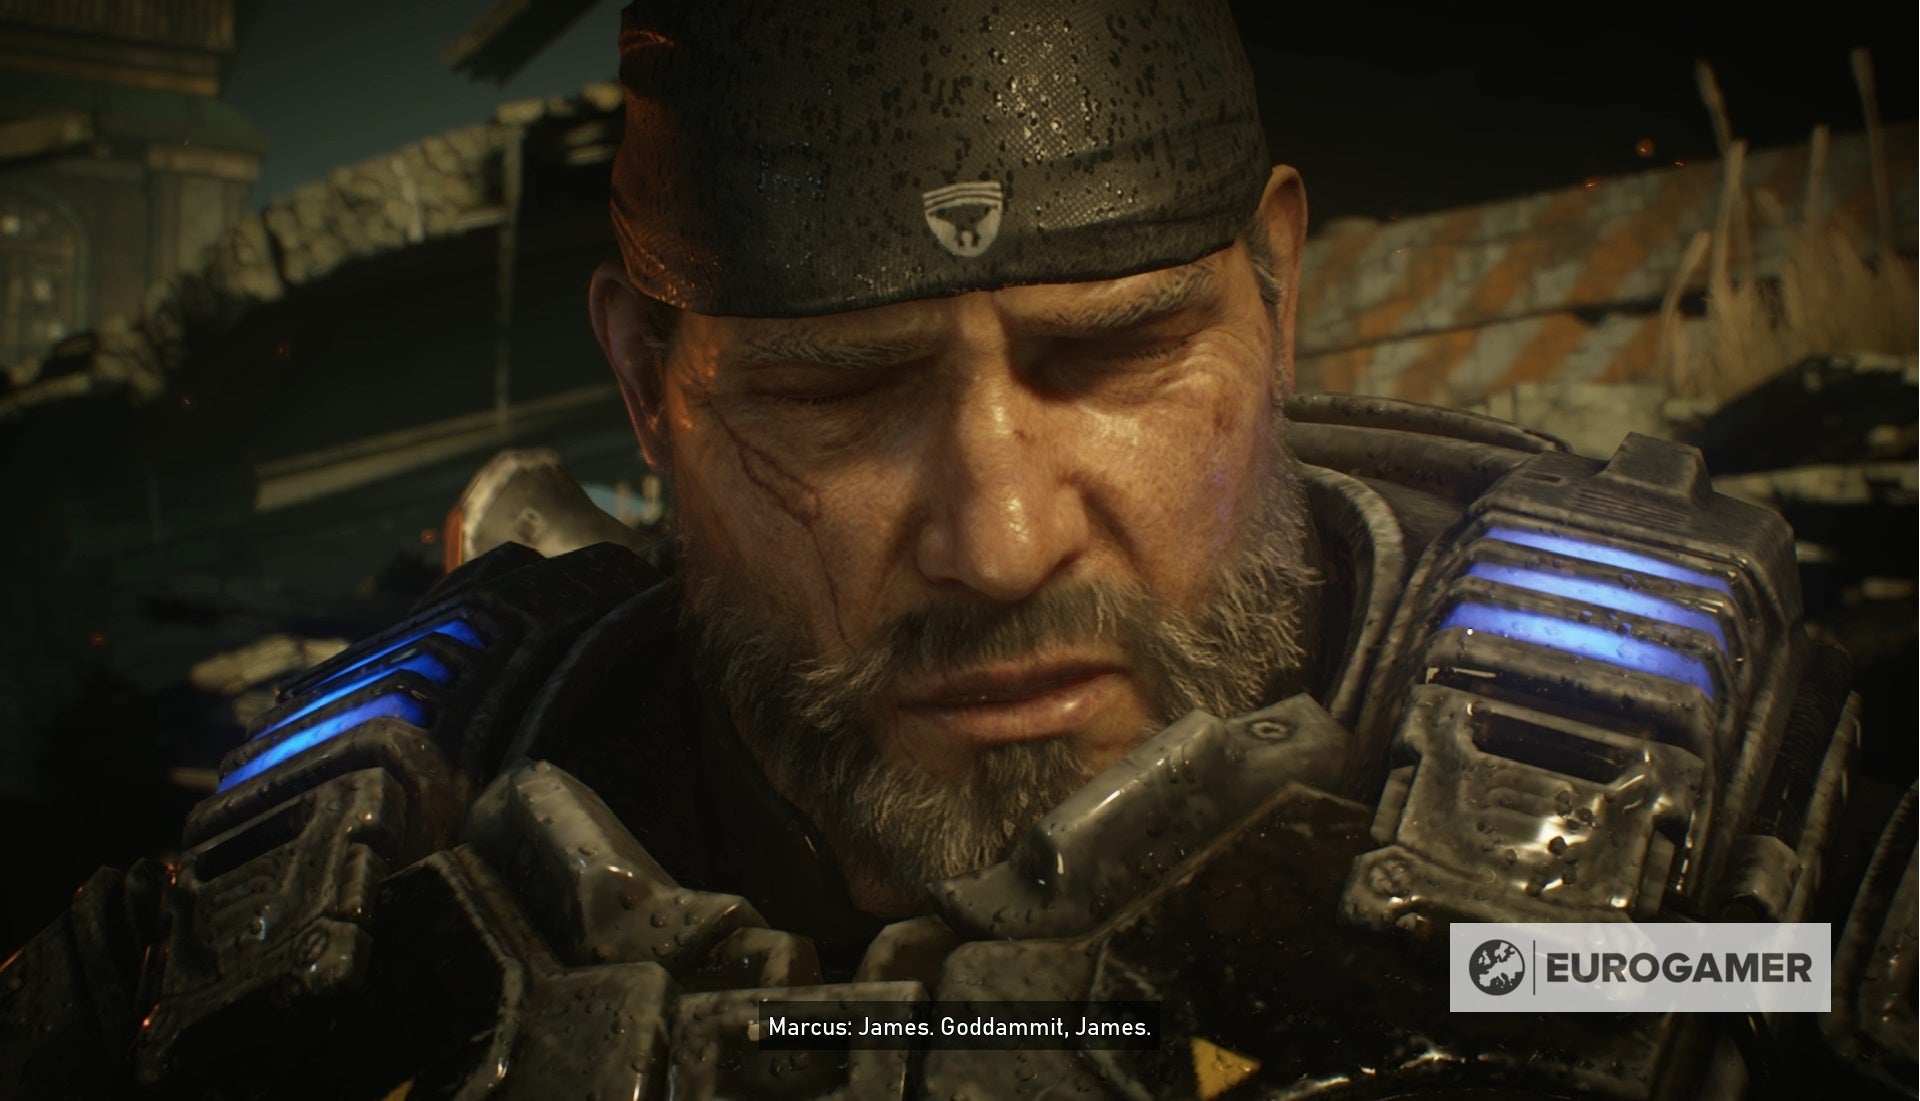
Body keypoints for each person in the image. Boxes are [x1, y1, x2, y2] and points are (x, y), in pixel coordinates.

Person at [1, 2, 1905, 1098]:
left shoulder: (1708, 866)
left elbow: (1763, 982)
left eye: (1114, 357)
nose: (1000, 541)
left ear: (1276, 291)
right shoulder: (315, 915)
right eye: (840, 396)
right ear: (648, 382)